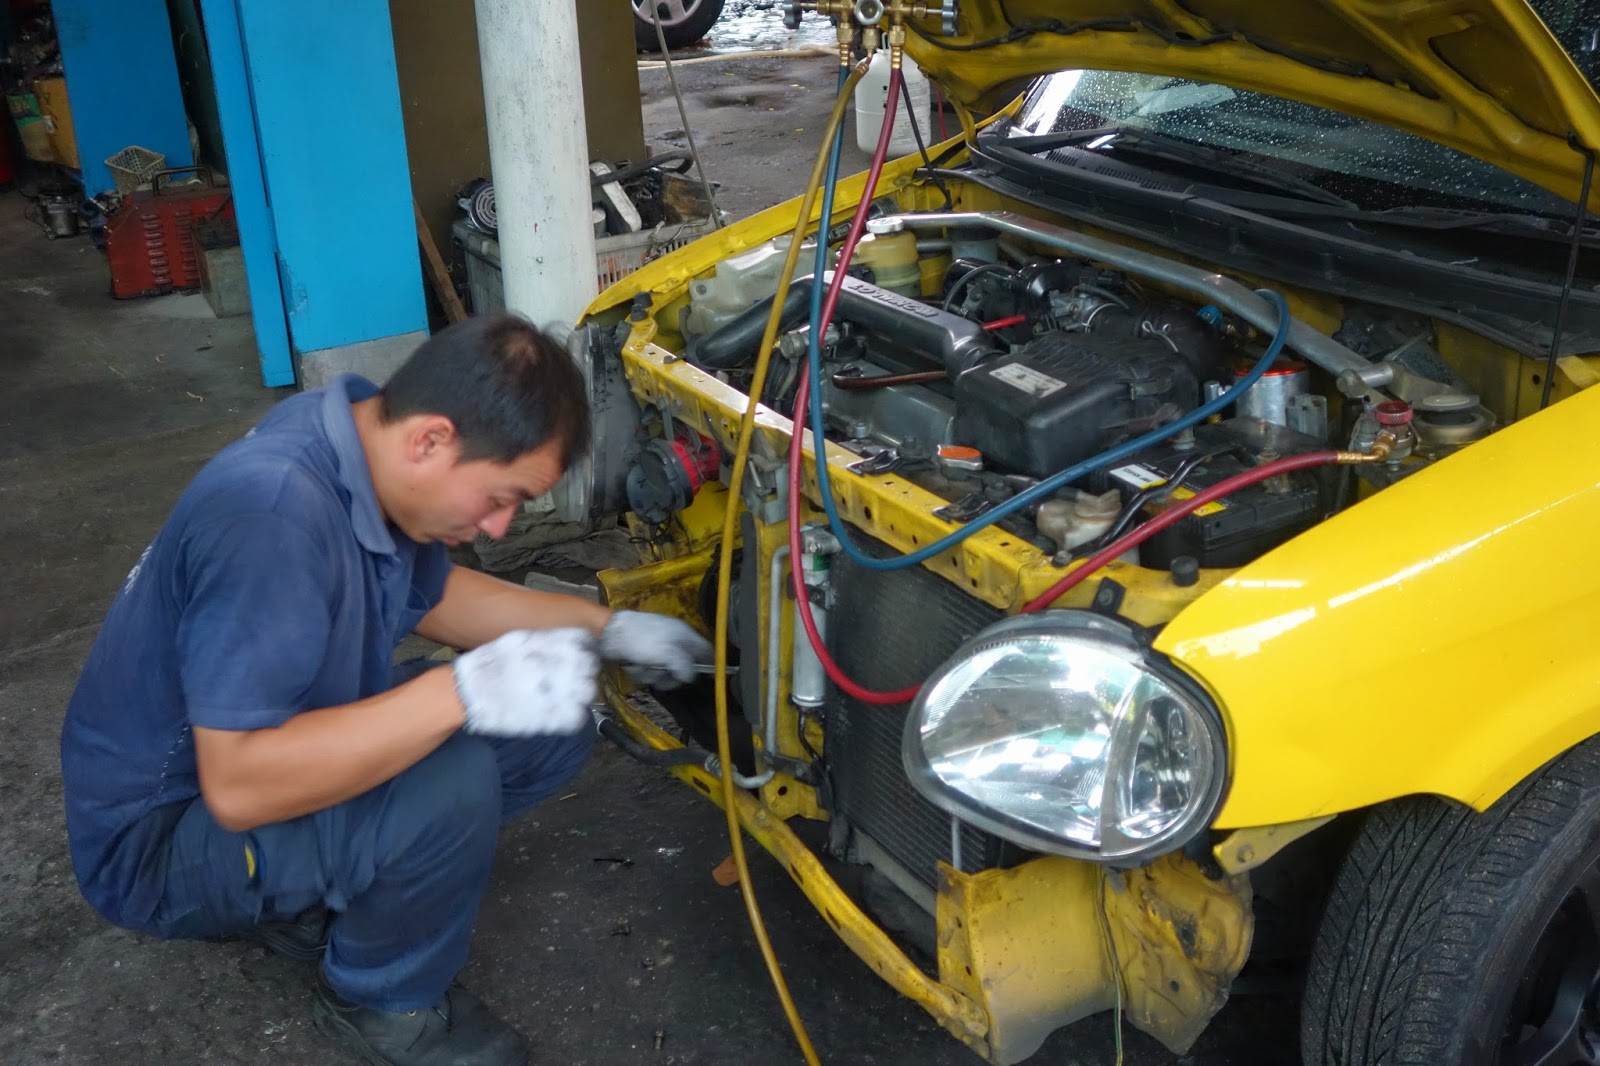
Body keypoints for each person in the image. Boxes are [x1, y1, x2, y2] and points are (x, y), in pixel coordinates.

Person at [59, 313, 711, 1066]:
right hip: (162, 840)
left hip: (255, 775)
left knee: (557, 718)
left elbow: (444, 599)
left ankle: (307, 891)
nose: (501, 528)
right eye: (500, 498)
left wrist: (608, 631)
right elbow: (238, 785)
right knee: (450, 777)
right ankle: (379, 1001)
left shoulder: (356, 447)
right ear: (430, 439)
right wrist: (461, 693)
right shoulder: (270, 514)